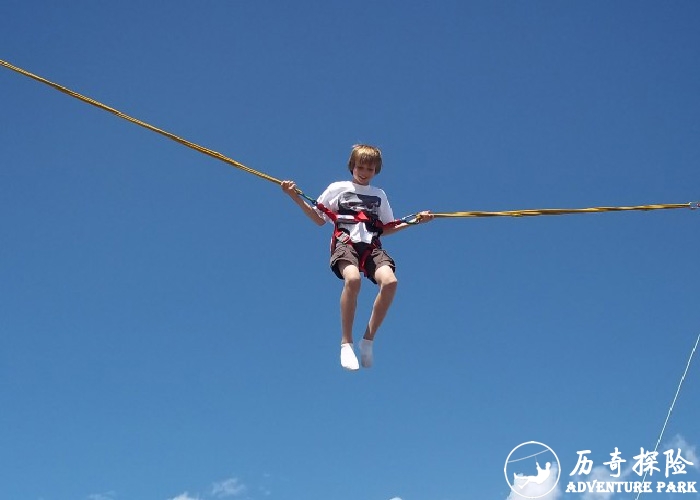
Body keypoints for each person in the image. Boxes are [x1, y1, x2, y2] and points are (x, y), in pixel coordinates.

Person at [281, 144, 433, 370]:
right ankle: (346, 344)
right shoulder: (337, 188)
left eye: (370, 169)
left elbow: (387, 227)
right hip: (346, 243)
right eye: (360, 167)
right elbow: (319, 218)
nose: (364, 173)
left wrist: (416, 221)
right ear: (352, 166)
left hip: (371, 246)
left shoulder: (379, 195)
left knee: (390, 282)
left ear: (376, 171)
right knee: (352, 279)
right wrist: (294, 196)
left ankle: (367, 340)